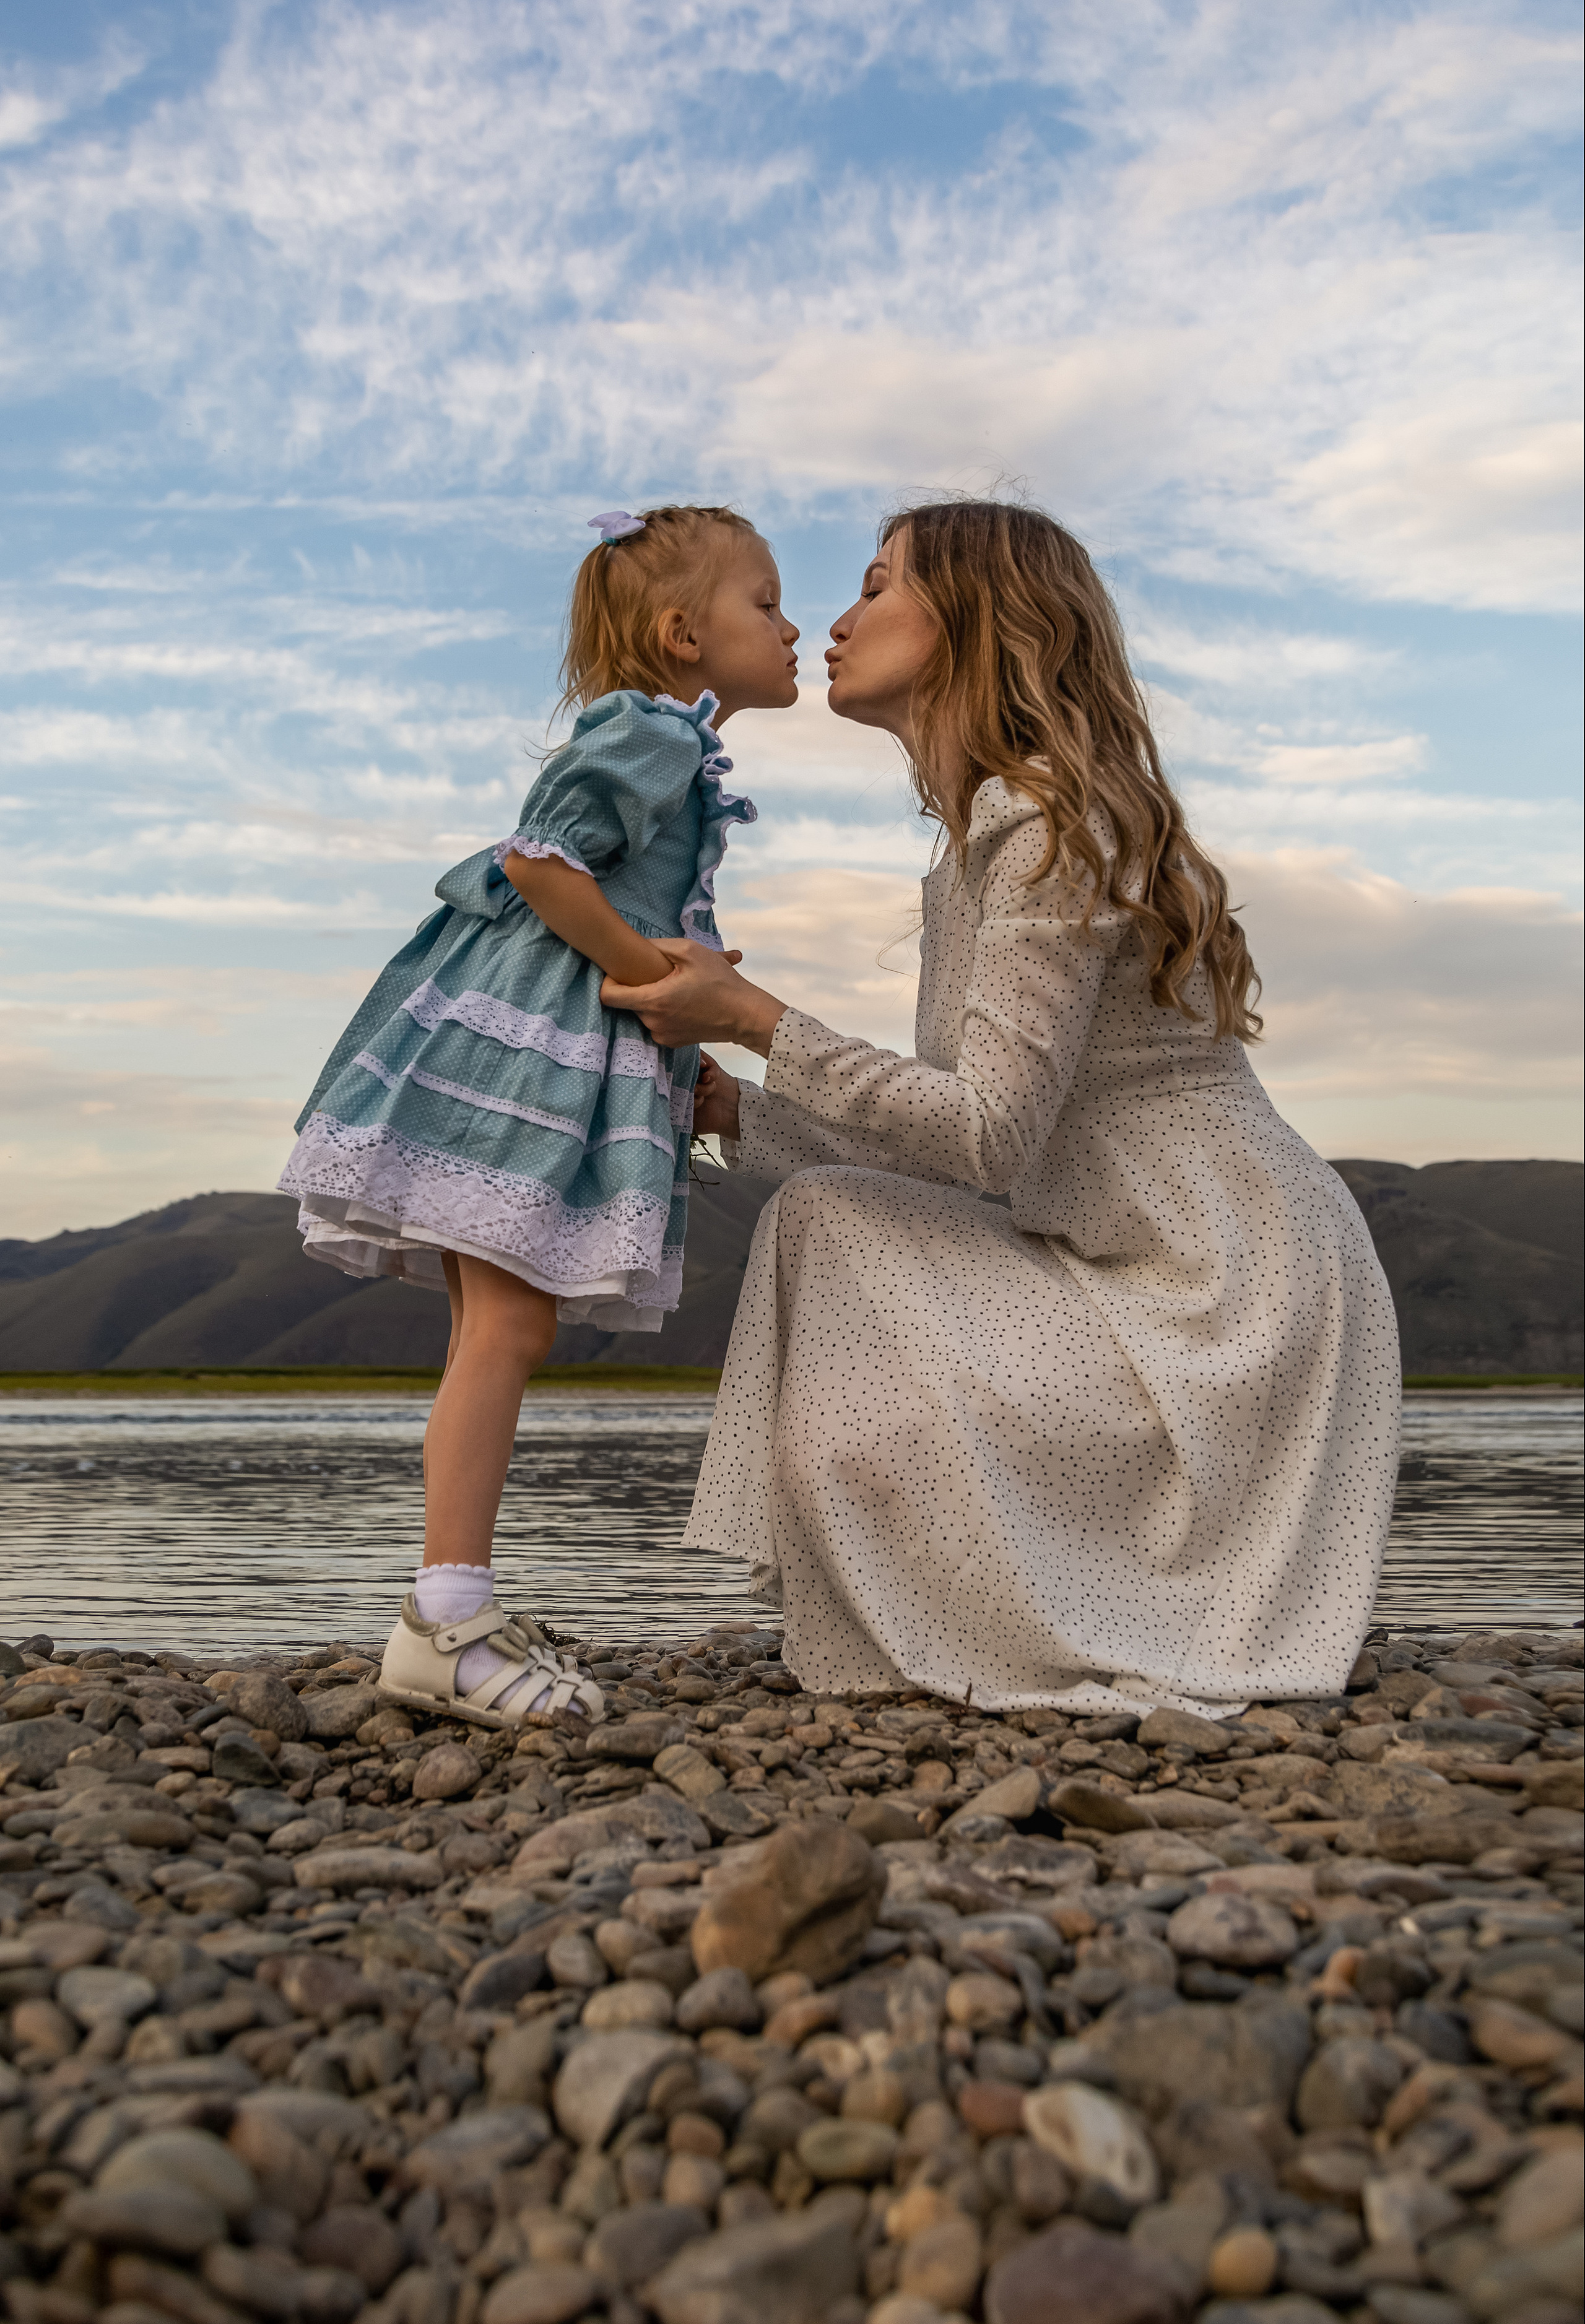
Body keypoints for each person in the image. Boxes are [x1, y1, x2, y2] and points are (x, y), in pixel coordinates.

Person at [602, 499, 1400, 1716]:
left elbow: (985, 1134)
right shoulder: (984, 843)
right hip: (1134, 1258)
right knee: (824, 1220)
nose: (835, 620)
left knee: (830, 1229)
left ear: (976, 619)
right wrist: (736, 1109)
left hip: (1226, 1284)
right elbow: (962, 1142)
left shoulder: (1044, 826)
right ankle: (952, 1609)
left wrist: (755, 1017)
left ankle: (1019, 1618)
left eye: (877, 585)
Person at [277, 505, 799, 1727]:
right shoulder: (654, 733)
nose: (790, 628)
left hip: (532, 1042)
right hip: (533, 1053)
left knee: (492, 1329)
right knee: (507, 1327)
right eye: (766, 603)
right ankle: (447, 1619)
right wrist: (648, 971)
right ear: (683, 635)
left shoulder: (667, 742)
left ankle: (449, 1604)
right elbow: (538, 862)